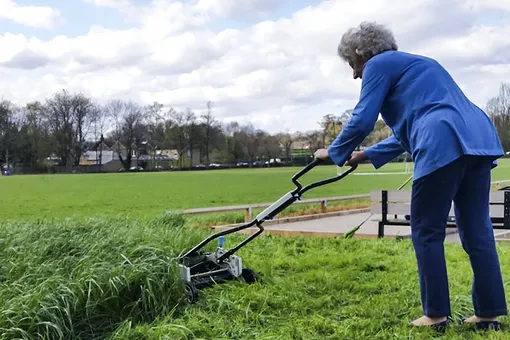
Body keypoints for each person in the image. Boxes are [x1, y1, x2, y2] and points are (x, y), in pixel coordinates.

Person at [314, 21, 507, 331]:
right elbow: (411, 128)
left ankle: (435, 315)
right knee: (478, 231)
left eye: (352, 64)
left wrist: (333, 152)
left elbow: (363, 119)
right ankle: (488, 315)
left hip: (443, 141)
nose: (354, 74)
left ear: (362, 53)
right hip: (478, 140)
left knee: (426, 231)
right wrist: (363, 155)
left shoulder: (378, 64)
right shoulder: (421, 65)